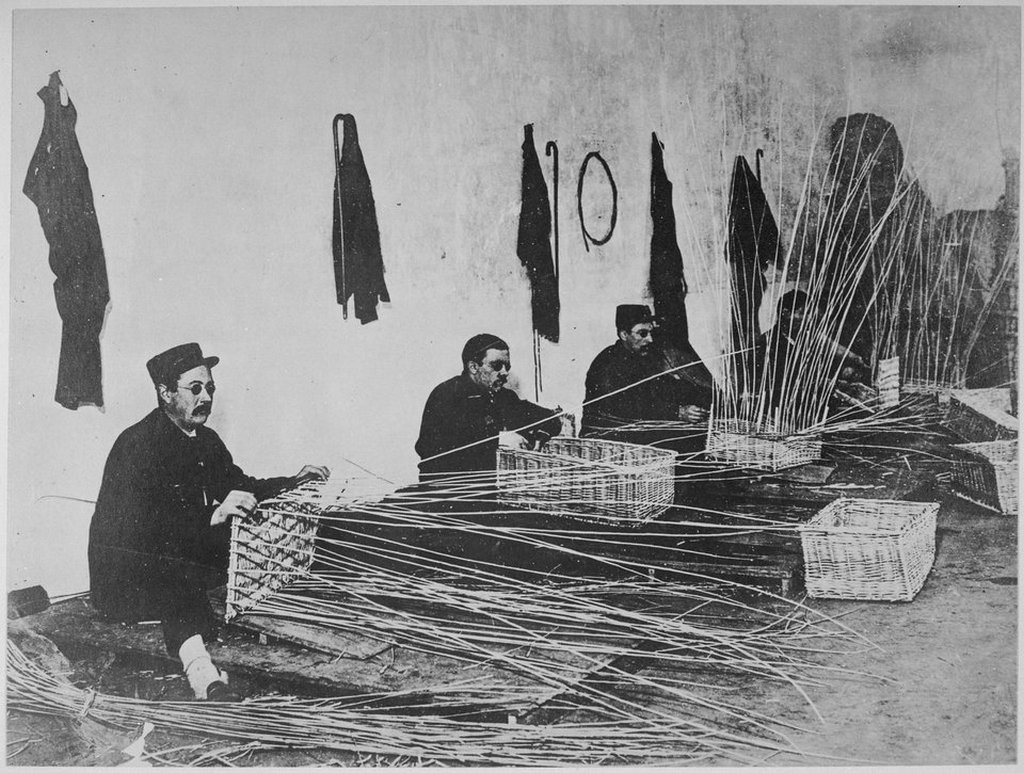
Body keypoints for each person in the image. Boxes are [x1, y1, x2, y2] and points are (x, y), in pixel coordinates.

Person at [87, 343, 329, 702]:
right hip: (126, 574)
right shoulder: (136, 445)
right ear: (165, 393)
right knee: (178, 568)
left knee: (252, 527)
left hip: (171, 553)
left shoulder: (206, 441)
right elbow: (145, 532)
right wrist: (215, 514)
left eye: (210, 389)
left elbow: (241, 487)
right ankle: (203, 675)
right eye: (195, 388)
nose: (206, 398)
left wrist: (294, 481)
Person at [415, 334, 562, 479]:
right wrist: (498, 440)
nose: (504, 372)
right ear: (473, 367)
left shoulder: (504, 397)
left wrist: (539, 438)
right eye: (496, 365)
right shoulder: (447, 394)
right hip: (449, 491)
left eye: (507, 366)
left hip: (490, 489)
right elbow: (431, 448)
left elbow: (550, 418)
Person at [581, 305, 712, 447]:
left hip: (636, 429)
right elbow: (625, 406)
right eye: (642, 333)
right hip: (607, 437)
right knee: (684, 442)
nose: (650, 339)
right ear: (624, 335)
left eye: (650, 333)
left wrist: (706, 396)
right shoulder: (607, 363)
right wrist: (677, 412)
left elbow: (665, 386)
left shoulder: (644, 357)